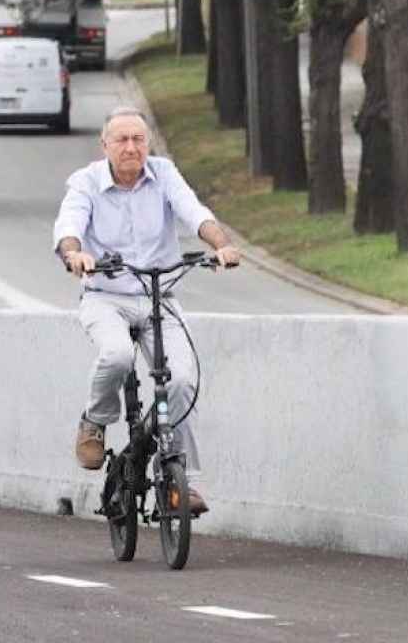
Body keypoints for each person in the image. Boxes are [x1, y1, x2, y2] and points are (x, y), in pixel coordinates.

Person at [51, 107, 242, 516]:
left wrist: (220, 244)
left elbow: (194, 212)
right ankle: (95, 421)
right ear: (105, 146)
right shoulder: (86, 182)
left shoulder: (164, 174)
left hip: (160, 295)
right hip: (106, 295)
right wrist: (75, 254)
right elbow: (69, 224)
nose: (131, 148)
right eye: (121, 140)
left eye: (138, 139)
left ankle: (179, 478)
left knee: (183, 380)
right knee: (117, 355)